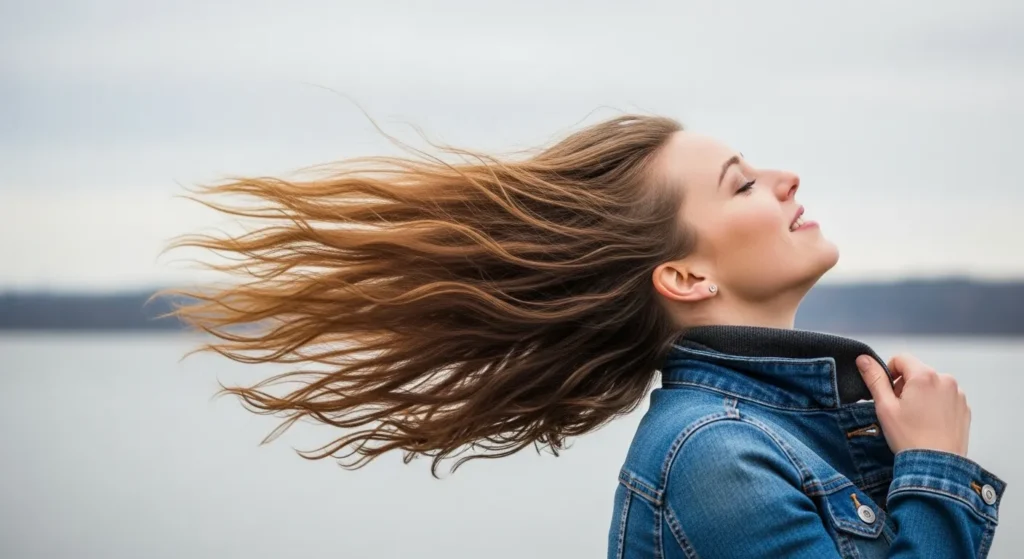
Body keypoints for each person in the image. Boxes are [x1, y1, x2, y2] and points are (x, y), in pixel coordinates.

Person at [161, 114, 1005, 558]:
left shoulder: (765, 436)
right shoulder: (715, 457)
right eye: (742, 182)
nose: (787, 178)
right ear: (684, 277)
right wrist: (938, 474)